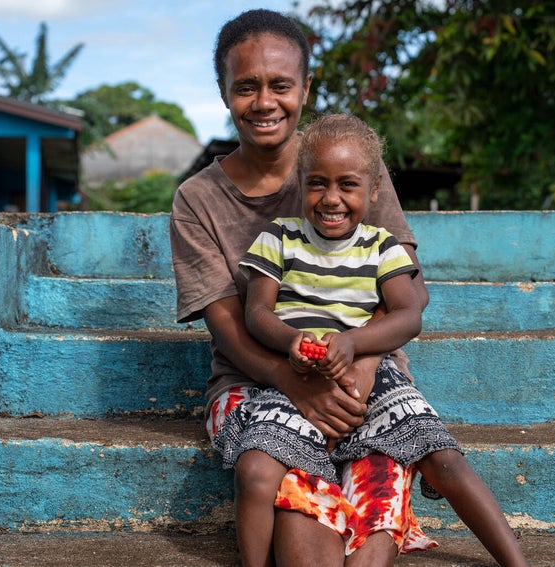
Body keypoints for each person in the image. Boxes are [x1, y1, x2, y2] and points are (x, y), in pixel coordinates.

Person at [169, 8, 524, 566]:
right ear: (223, 91)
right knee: (293, 517)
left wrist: (359, 358)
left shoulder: (348, 162)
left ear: (305, 88)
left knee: (378, 507)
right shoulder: (198, 199)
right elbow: (232, 327)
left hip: (365, 377)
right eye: (246, 87)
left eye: (281, 85)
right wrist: (295, 382)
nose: (265, 102)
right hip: (254, 380)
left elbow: (410, 294)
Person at [224, 113, 527, 567]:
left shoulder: (382, 246)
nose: (331, 199)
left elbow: (408, 316)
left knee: (444, 458)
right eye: (316, 183)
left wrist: (355, 343)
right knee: (255, 470)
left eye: (347, 185)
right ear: (298, 182)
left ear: (374, 190)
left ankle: (517, 562)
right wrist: (290, 341)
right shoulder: (278, 239)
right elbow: (257, 312)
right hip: (293, 376)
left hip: (373, 372)